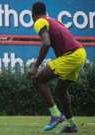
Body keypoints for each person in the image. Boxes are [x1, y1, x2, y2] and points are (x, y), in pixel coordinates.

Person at [28, 2, 87, 133]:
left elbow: (46, 43)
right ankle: (72, 125)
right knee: (61, 91)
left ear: (32, 15)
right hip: (80, 53)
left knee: (38, 80)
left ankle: (55, 115)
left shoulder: (39, 21)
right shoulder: (53, 20)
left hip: (71, 55)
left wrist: (35, 66)